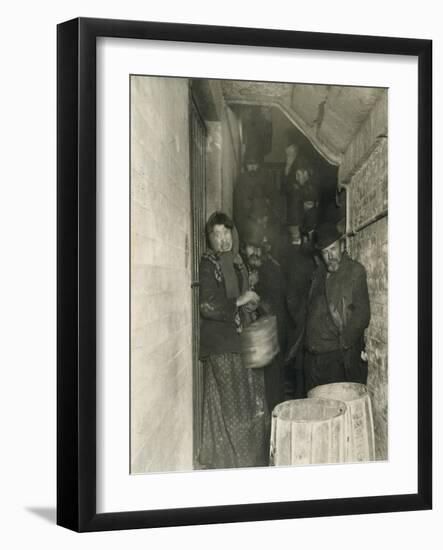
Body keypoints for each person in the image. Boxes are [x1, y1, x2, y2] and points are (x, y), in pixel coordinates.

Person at [198, 211, 270, 469]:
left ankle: (237, 460)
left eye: (226, 233)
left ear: (233, 233)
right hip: (221, 344)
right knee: (235, 405)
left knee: (244, 401)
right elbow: (207, 305)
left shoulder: (238, 262)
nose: (223, 240)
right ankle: (241, 463)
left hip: (241, 340)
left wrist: (251, 303)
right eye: (216, 235)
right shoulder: (208, 263)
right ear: (210, 239)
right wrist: (241, 300)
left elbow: (241, 299)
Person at [303, 222, 371, 393]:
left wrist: (344, 344)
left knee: (338, 406)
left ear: (342, 246)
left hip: (337, 358)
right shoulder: (318, 274)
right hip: (314, 358)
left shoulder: (355, 271)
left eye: (332, 249)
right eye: (325, 252)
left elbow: (362, 314)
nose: (330, 256)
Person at [240, 220, 287, 413]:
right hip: (251, 343)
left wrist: (258, 302)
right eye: (251, 247)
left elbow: (276, 305)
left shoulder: (272, 270)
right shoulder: (244, 268)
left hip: (270, 340)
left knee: (272, 391)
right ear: (244, 248)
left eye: (259, 248)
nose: (255, 252)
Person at [281, 223, 317, 398]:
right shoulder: (298, 262)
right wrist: (301, 317)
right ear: (304, 238)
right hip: (303, 324)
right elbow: (291, 296)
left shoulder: (317, 258)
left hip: (316, 330)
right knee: (301, 372)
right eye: (310, 235)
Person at [233, 144, 268, 240]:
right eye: (249, 164)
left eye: (255, 164)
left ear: (259, 165)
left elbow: (270, 198)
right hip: (245, 218)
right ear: (246, 165)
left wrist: (265, 216)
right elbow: (238, 204)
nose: (252, 167)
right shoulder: (241, 179)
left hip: (260, 218)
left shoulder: (263, 178)